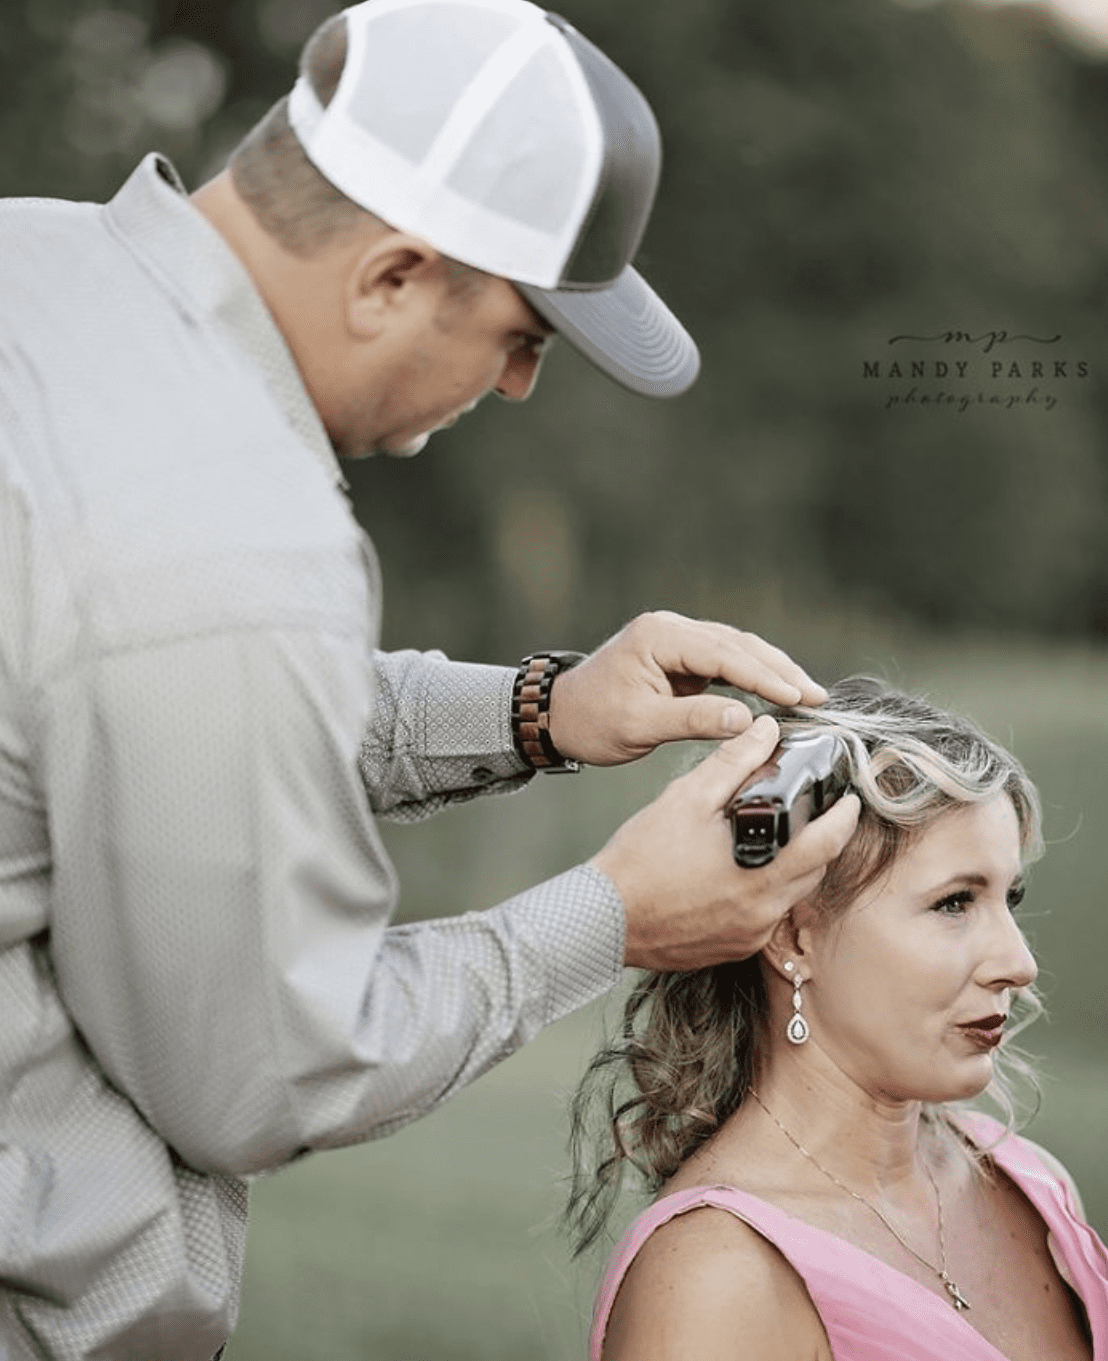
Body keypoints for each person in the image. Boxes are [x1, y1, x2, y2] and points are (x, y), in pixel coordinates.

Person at [0, 1, 861, 1356]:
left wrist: (543, 713)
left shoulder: (32, 267)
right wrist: (613, 916)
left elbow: (162, 715)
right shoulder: (229, 527)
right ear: (392, 276)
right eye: (527, 333)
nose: (519, 385)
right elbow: (267, 1065)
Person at [574, 677, 1108, 1361]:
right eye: (954, 902)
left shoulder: (1030, 1182)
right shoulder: (716, 1275)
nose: (1019, 960)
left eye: (1010, 898)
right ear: (795, 937)